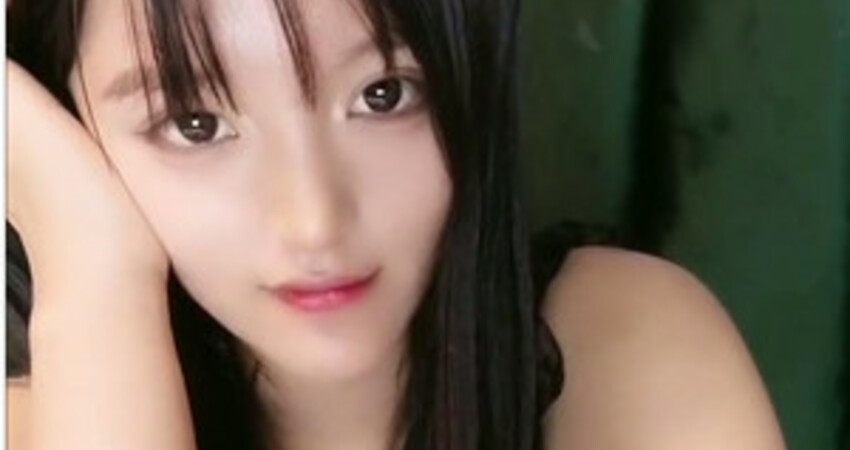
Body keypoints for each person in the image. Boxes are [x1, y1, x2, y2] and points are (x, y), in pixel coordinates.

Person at [6, 0, 788, 449]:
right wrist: (93, 267)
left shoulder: (625, 342)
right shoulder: (51, 420)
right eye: (194, 126)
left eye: (383, 94)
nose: (314, 221)